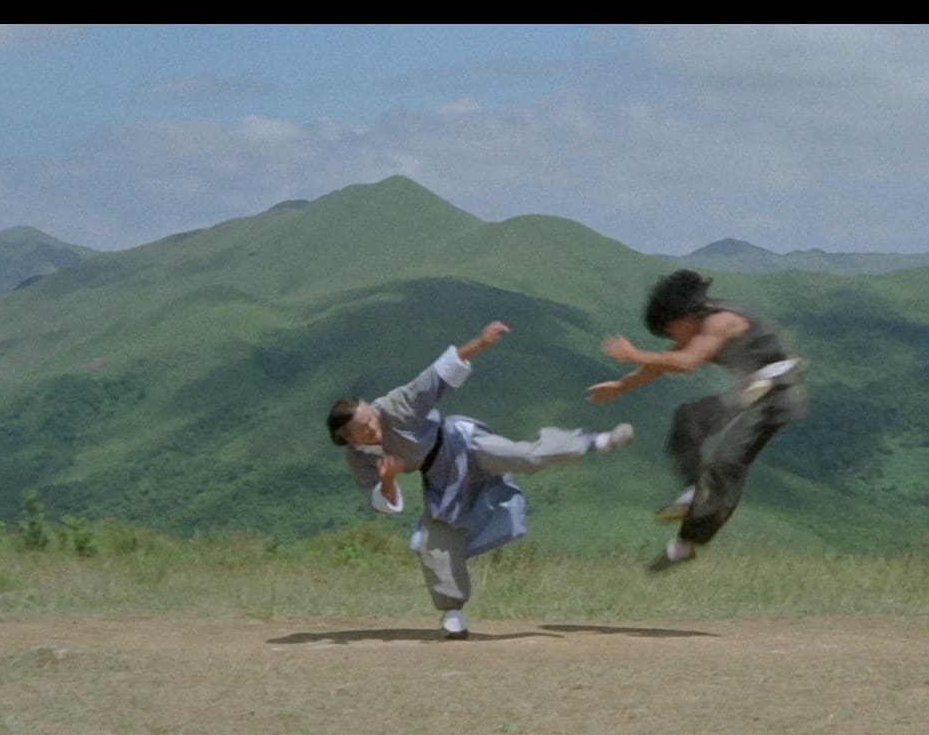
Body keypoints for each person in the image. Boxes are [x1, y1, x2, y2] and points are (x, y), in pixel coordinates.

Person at [327, 320, 635, 639]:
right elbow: (381, 500)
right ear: (349, 439)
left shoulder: (394, 406)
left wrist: (481, 343)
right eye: (364, 429)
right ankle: (453, 613)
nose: (374, 427)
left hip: (461, 442)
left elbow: (436, 375)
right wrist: (389, 480)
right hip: (439, 476)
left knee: (525, 455)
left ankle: (595, 441)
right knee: (436, 542)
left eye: (371, 418)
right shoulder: (359, 459)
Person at [587, 270, 807, 573]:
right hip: (753, 390)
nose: (671, 338)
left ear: (685, 317)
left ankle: (686, 543)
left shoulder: (721, 322)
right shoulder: (698, 324)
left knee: (726, 462)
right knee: (689, 420)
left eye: (670, 331)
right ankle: (695, 490)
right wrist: (622, 385)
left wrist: (636, 354)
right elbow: (663, 363)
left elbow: (687, 362)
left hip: (777, 394)